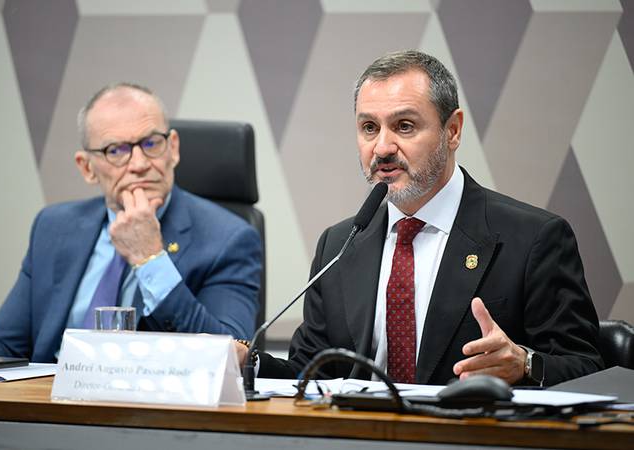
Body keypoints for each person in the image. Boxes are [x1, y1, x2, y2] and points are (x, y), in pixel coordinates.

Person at [238, 50, 602, 386]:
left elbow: (588, 368)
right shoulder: (339, 245)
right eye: (369, 128)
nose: (382, 148)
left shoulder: (533, 239)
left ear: (452, 130)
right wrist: (246, 362)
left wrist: (525, 363)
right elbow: (309, 373)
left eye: (404, 126)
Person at [0, 83, 262, 362]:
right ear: (87, 167)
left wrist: (150, 259)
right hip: (49, 394)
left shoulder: (228, 238)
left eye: (151, 143)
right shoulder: (54, 227)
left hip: (153, 397)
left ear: (173, 148)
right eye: (116, 150)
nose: (139, 164)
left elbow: (228, 356)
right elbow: (2, 342)